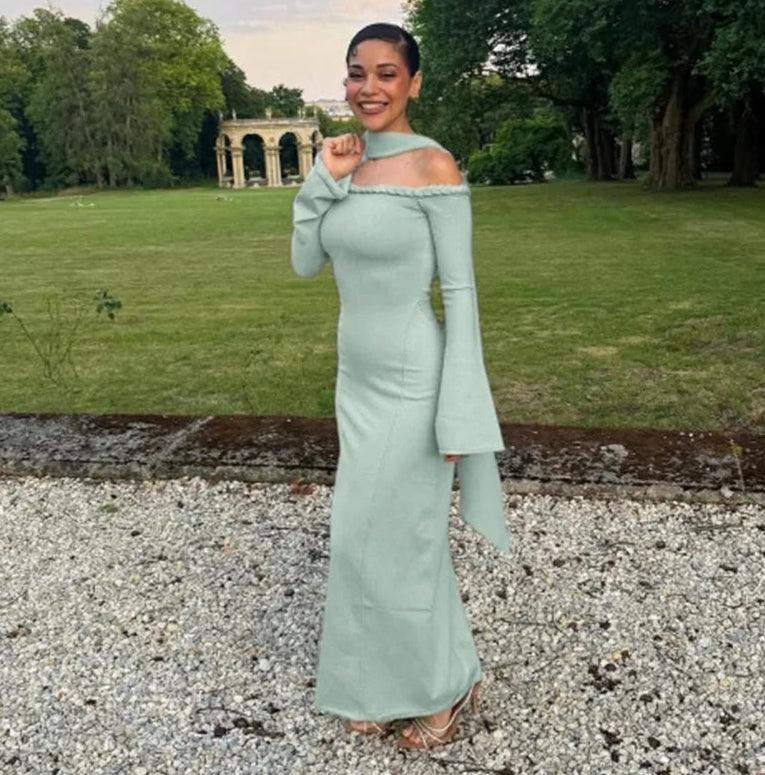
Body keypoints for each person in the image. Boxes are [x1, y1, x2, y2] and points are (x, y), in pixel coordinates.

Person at [290, 22, 509, 750]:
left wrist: (460, 413)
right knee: (368, 535)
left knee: (398, 538)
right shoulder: (340, 159)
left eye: (386, 73)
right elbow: (302, 260)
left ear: (413, 83)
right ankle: (407, 680)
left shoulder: (433, 167)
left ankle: (441, 692)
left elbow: (461, 291)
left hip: (417, 378)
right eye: (357, 72)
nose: (368, 87)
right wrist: (323, 179)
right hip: (356, 375)